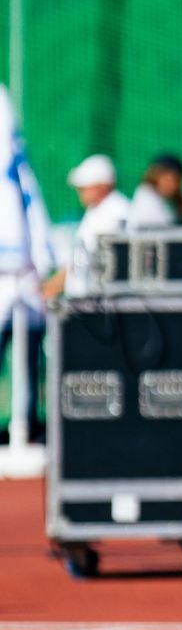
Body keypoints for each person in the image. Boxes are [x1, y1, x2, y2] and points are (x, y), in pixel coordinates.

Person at [0, 87, 54, 442]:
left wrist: (41, 260)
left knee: (28, 354)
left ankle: (25, 425)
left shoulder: (19, 173)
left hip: (19, 273)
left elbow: (34, 211)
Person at [44, 155, 130, 300]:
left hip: (101, 303)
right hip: (89, 301)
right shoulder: (97, 210)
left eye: (84, 188)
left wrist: (50, 288)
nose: (80, 192)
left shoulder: (116, 211)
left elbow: (90, 258)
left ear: (102, 186)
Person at [127, 154, 182, 229]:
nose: (178, 186)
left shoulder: (160, 200)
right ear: (158, 175)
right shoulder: (147, 199)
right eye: (175, 180)